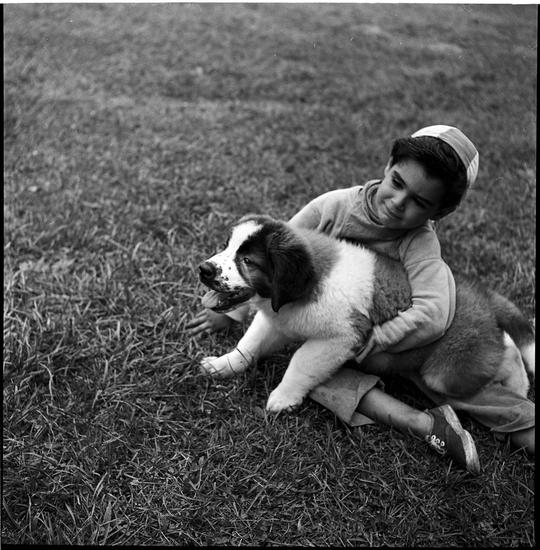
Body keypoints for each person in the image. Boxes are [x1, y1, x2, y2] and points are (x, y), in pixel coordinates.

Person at [187, 125, 534, 472]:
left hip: (422, 343)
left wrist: (377, 339)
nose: (398, 203)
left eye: (419, 202)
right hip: (348, 337)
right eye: (397, 183)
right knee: (313, 374)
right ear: (388, 166)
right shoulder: (334, 205)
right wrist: (232, 310)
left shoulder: (421, 243)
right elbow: (265, 251)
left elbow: (436, 313)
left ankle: (510, 367)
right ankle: (422, 423)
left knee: (448, 387)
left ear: (438, 213)